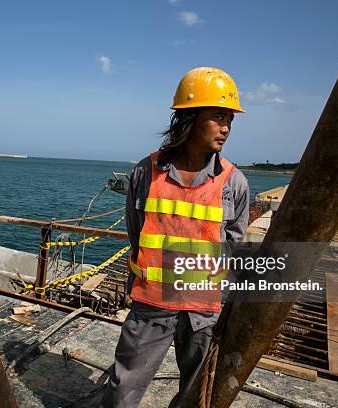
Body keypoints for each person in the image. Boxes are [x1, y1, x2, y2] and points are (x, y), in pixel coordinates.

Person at [102, 67, 250, 408]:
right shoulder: (145, 172)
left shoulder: (234, 182)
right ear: (190, 118)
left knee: (197, 397)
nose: (226, 128)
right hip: (151, 306)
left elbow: (232, 247)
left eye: (229, 119)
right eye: (217, 117)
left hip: (203, 312)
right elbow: (136, 234)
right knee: (121, 390)